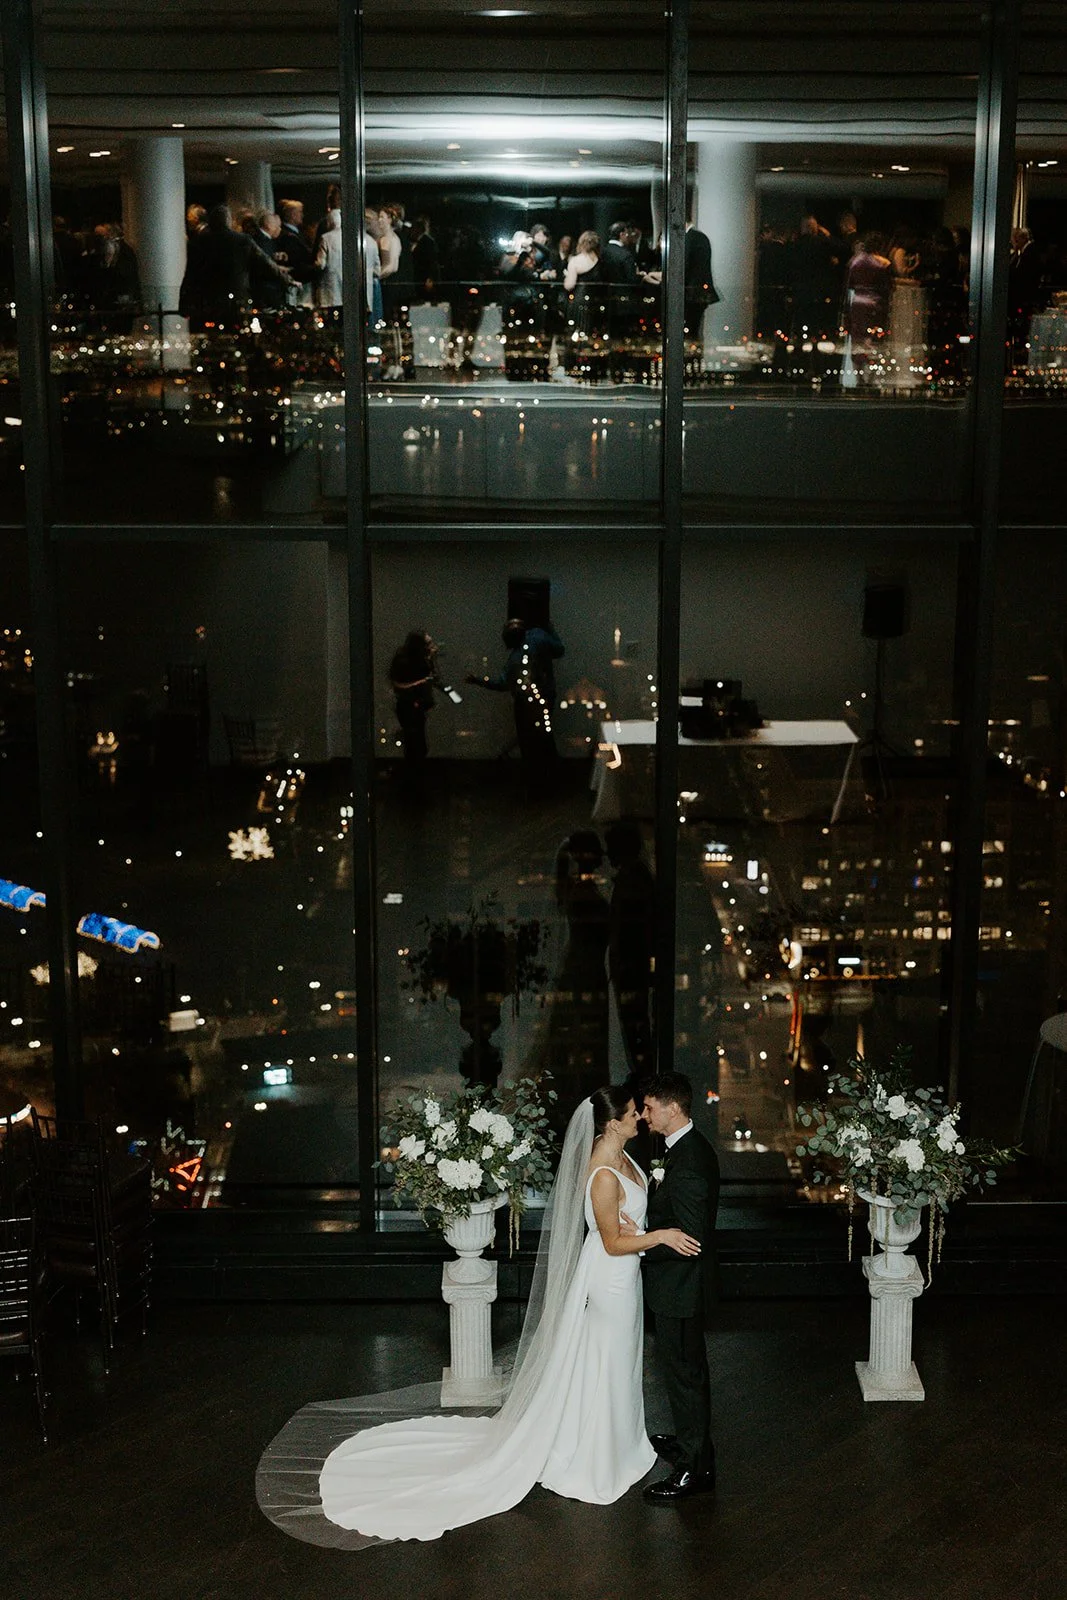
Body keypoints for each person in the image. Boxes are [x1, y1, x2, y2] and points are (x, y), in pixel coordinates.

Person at [298, 1086, 701, 1541]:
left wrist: (640, 1224)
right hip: (609, 1280)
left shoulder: (626, 1158)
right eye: (631, 1115)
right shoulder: (604, 1173)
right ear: (611, 1124)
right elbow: (610, 1242)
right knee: (606, 1361)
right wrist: (658, 1235)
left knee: (618, 1360)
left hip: (626, 1277)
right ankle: (597, 1457)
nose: (638, 1120)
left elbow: (622, 1221)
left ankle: (624, 1442)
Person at [633, 1071, 720, 1503]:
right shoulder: (681, 1150)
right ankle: (695, 1446)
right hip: (679, 1287)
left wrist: (640, 1248)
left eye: (649, 1108)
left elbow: (690, 1237)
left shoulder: (687, 1163)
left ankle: (694, 1470)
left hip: (681, 1289)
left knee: (684, 1376)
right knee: (686, 1372)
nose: (644, 1115)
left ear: (672, 1108)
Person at [466, 616, 564, 787]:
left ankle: (533, 779)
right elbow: (559, 650)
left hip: (526, 703)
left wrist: (478, 680)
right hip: (546, 697)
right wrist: (552, 630)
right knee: (545, 736)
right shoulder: (538, 636)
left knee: (528, 740)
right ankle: (551, 777)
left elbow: (502, 684)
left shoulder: (514, 660)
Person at [605, 819, 656, 1079]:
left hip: (631, 970)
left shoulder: (633, 880)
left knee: (635, 1025)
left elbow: (634, 930)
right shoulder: (635, 877)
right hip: (631, 969)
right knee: (634, 1025)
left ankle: (642, 1073)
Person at [388, 630, 441, 773]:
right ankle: (412, 778)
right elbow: (397, 684)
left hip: (417, 706)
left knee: (418, 745)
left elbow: (435, 677)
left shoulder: (422, 659)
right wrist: (421, 683)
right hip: (407, 706)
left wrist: (431, 659)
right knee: (414, 744)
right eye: (428, 643)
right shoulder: (402, 660)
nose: (431, 646)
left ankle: (413, 776)